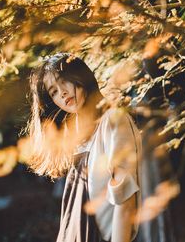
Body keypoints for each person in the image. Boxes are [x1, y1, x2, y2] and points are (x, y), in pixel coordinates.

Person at [26, 52, 142, 242]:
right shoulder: (76, 139)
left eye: (63, 81)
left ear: (81, 76)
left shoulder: (113, 120)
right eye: (53, 91)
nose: (62, 92)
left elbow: (125, 201)